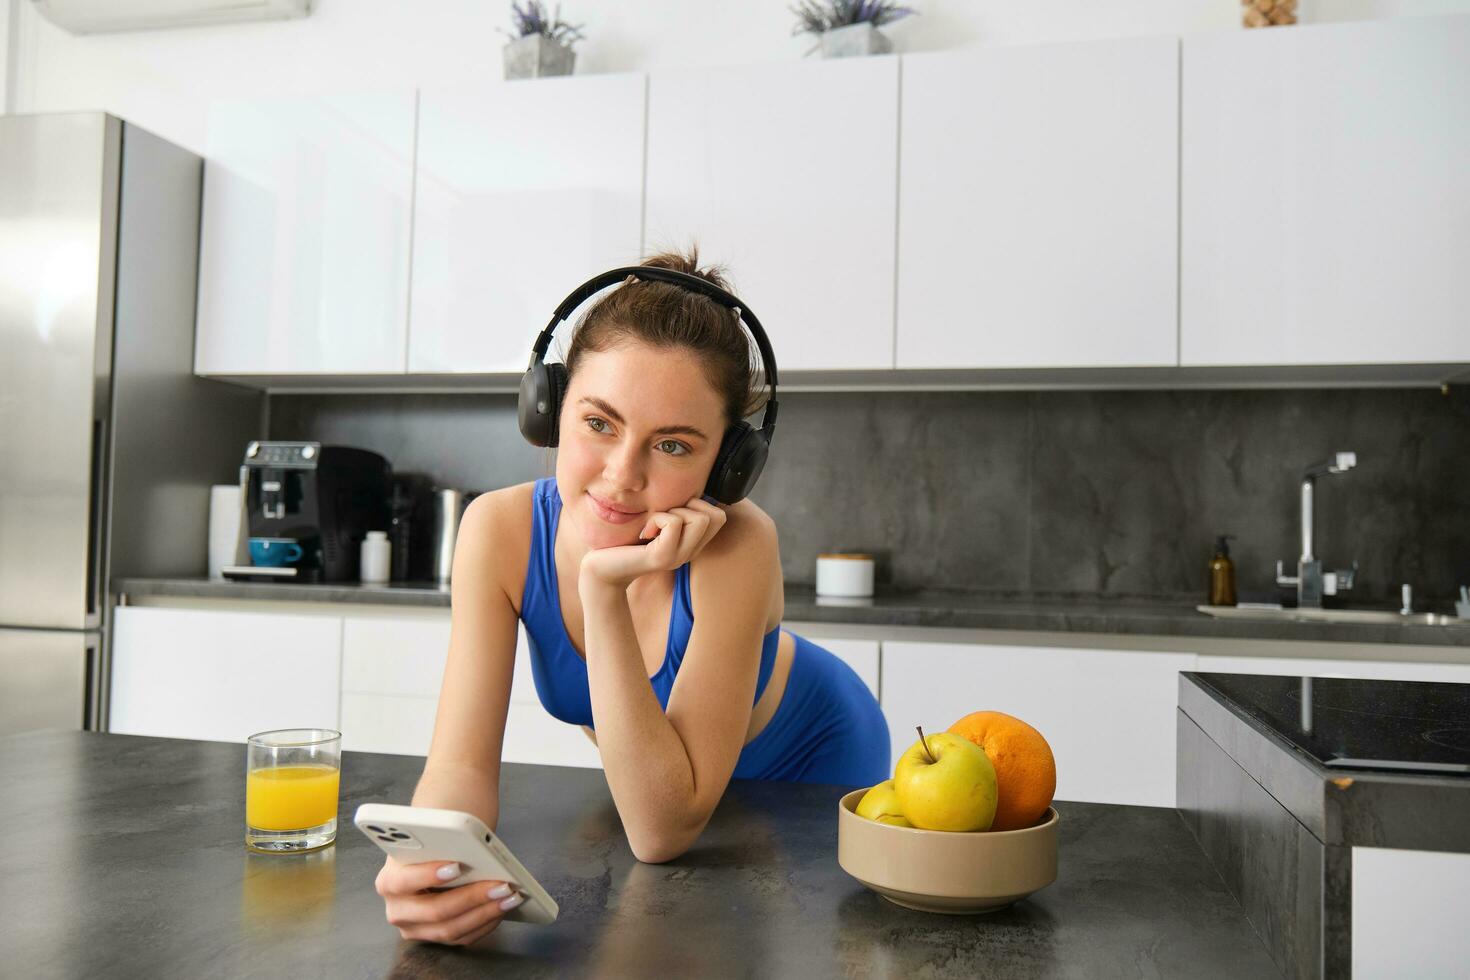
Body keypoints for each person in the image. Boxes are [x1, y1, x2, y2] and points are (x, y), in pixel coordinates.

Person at [374, 249, 889, 946]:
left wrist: (602, 585)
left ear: (727, 466)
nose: (621, 477)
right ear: (549, 409)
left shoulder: (738, 546)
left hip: (809, 770)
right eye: (599, 423)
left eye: (673, 446)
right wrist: (432, 868)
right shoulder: (498, 531)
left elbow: (660, 831)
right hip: (660, 781)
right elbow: (461, 767)